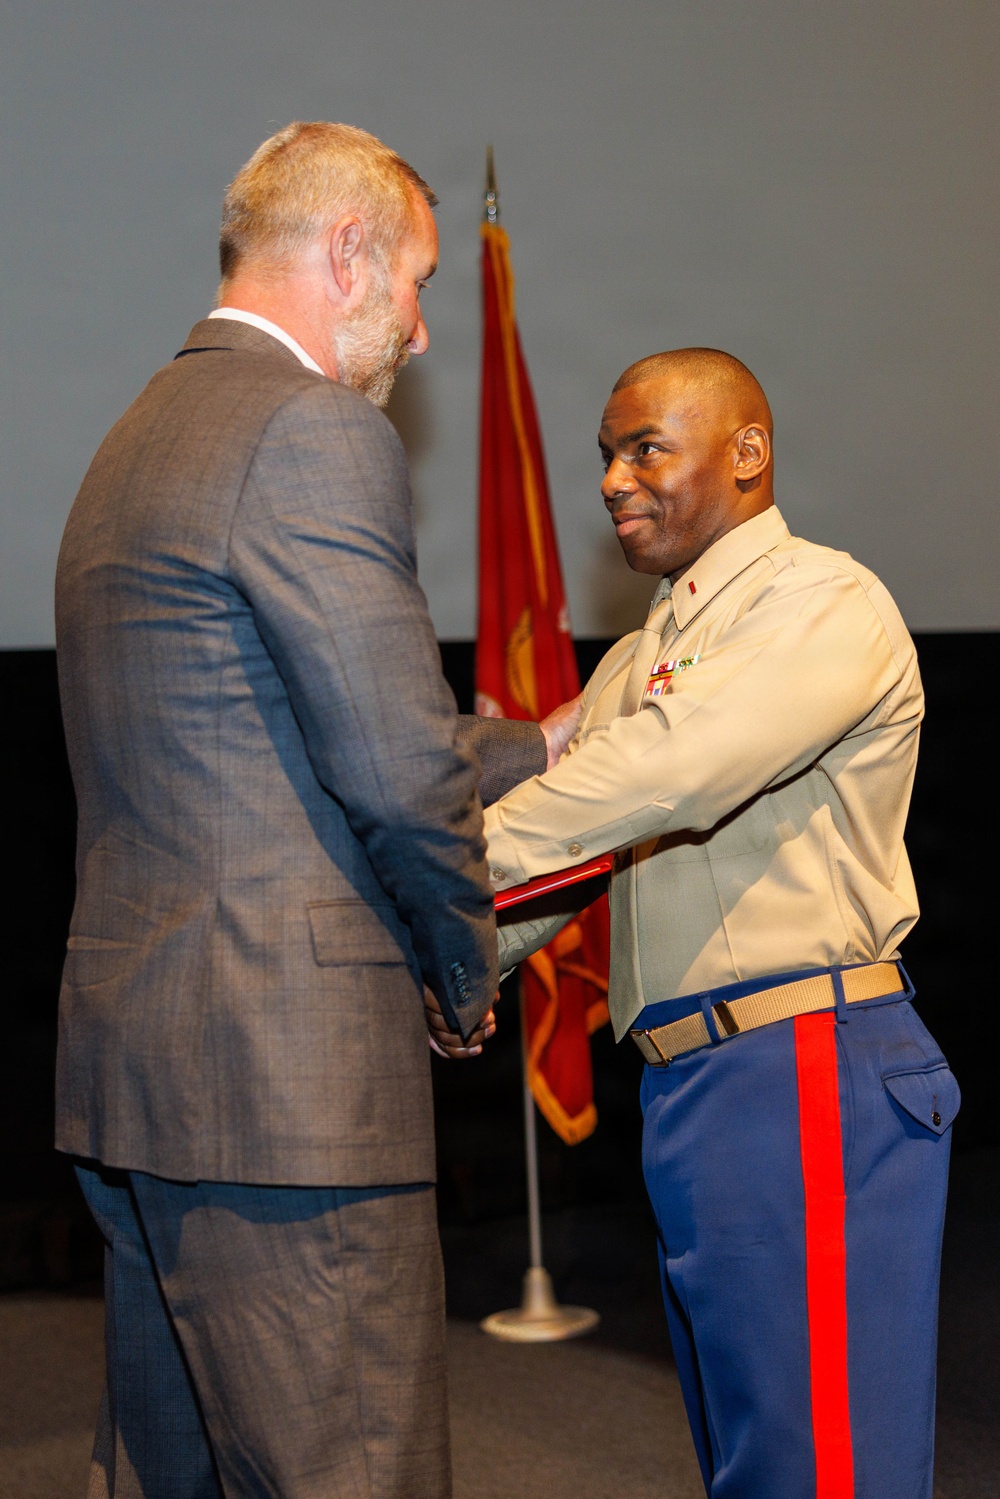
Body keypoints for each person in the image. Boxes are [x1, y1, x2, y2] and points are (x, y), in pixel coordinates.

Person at [55, 121, 562, 1499]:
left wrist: (538, 739)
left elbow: (265, 731)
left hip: (147, 1080)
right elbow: (394, 768)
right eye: (416, 281)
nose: (419, 326)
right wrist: (467, 973)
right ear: (346, 252)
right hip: (285, 1092)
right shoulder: (310, 429)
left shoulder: (138, 436)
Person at [482, 349, 957, 1499]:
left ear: (748, 453)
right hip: (695, 1082)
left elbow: (667, 771)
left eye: (644, 445)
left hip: (802, 1066)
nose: (609, 477)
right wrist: (446, 963)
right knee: (755, 1458)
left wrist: (443, 887)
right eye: (604, 453)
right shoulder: (649, 649)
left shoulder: (819, 598)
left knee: (823, 1468)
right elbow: (574, 844)